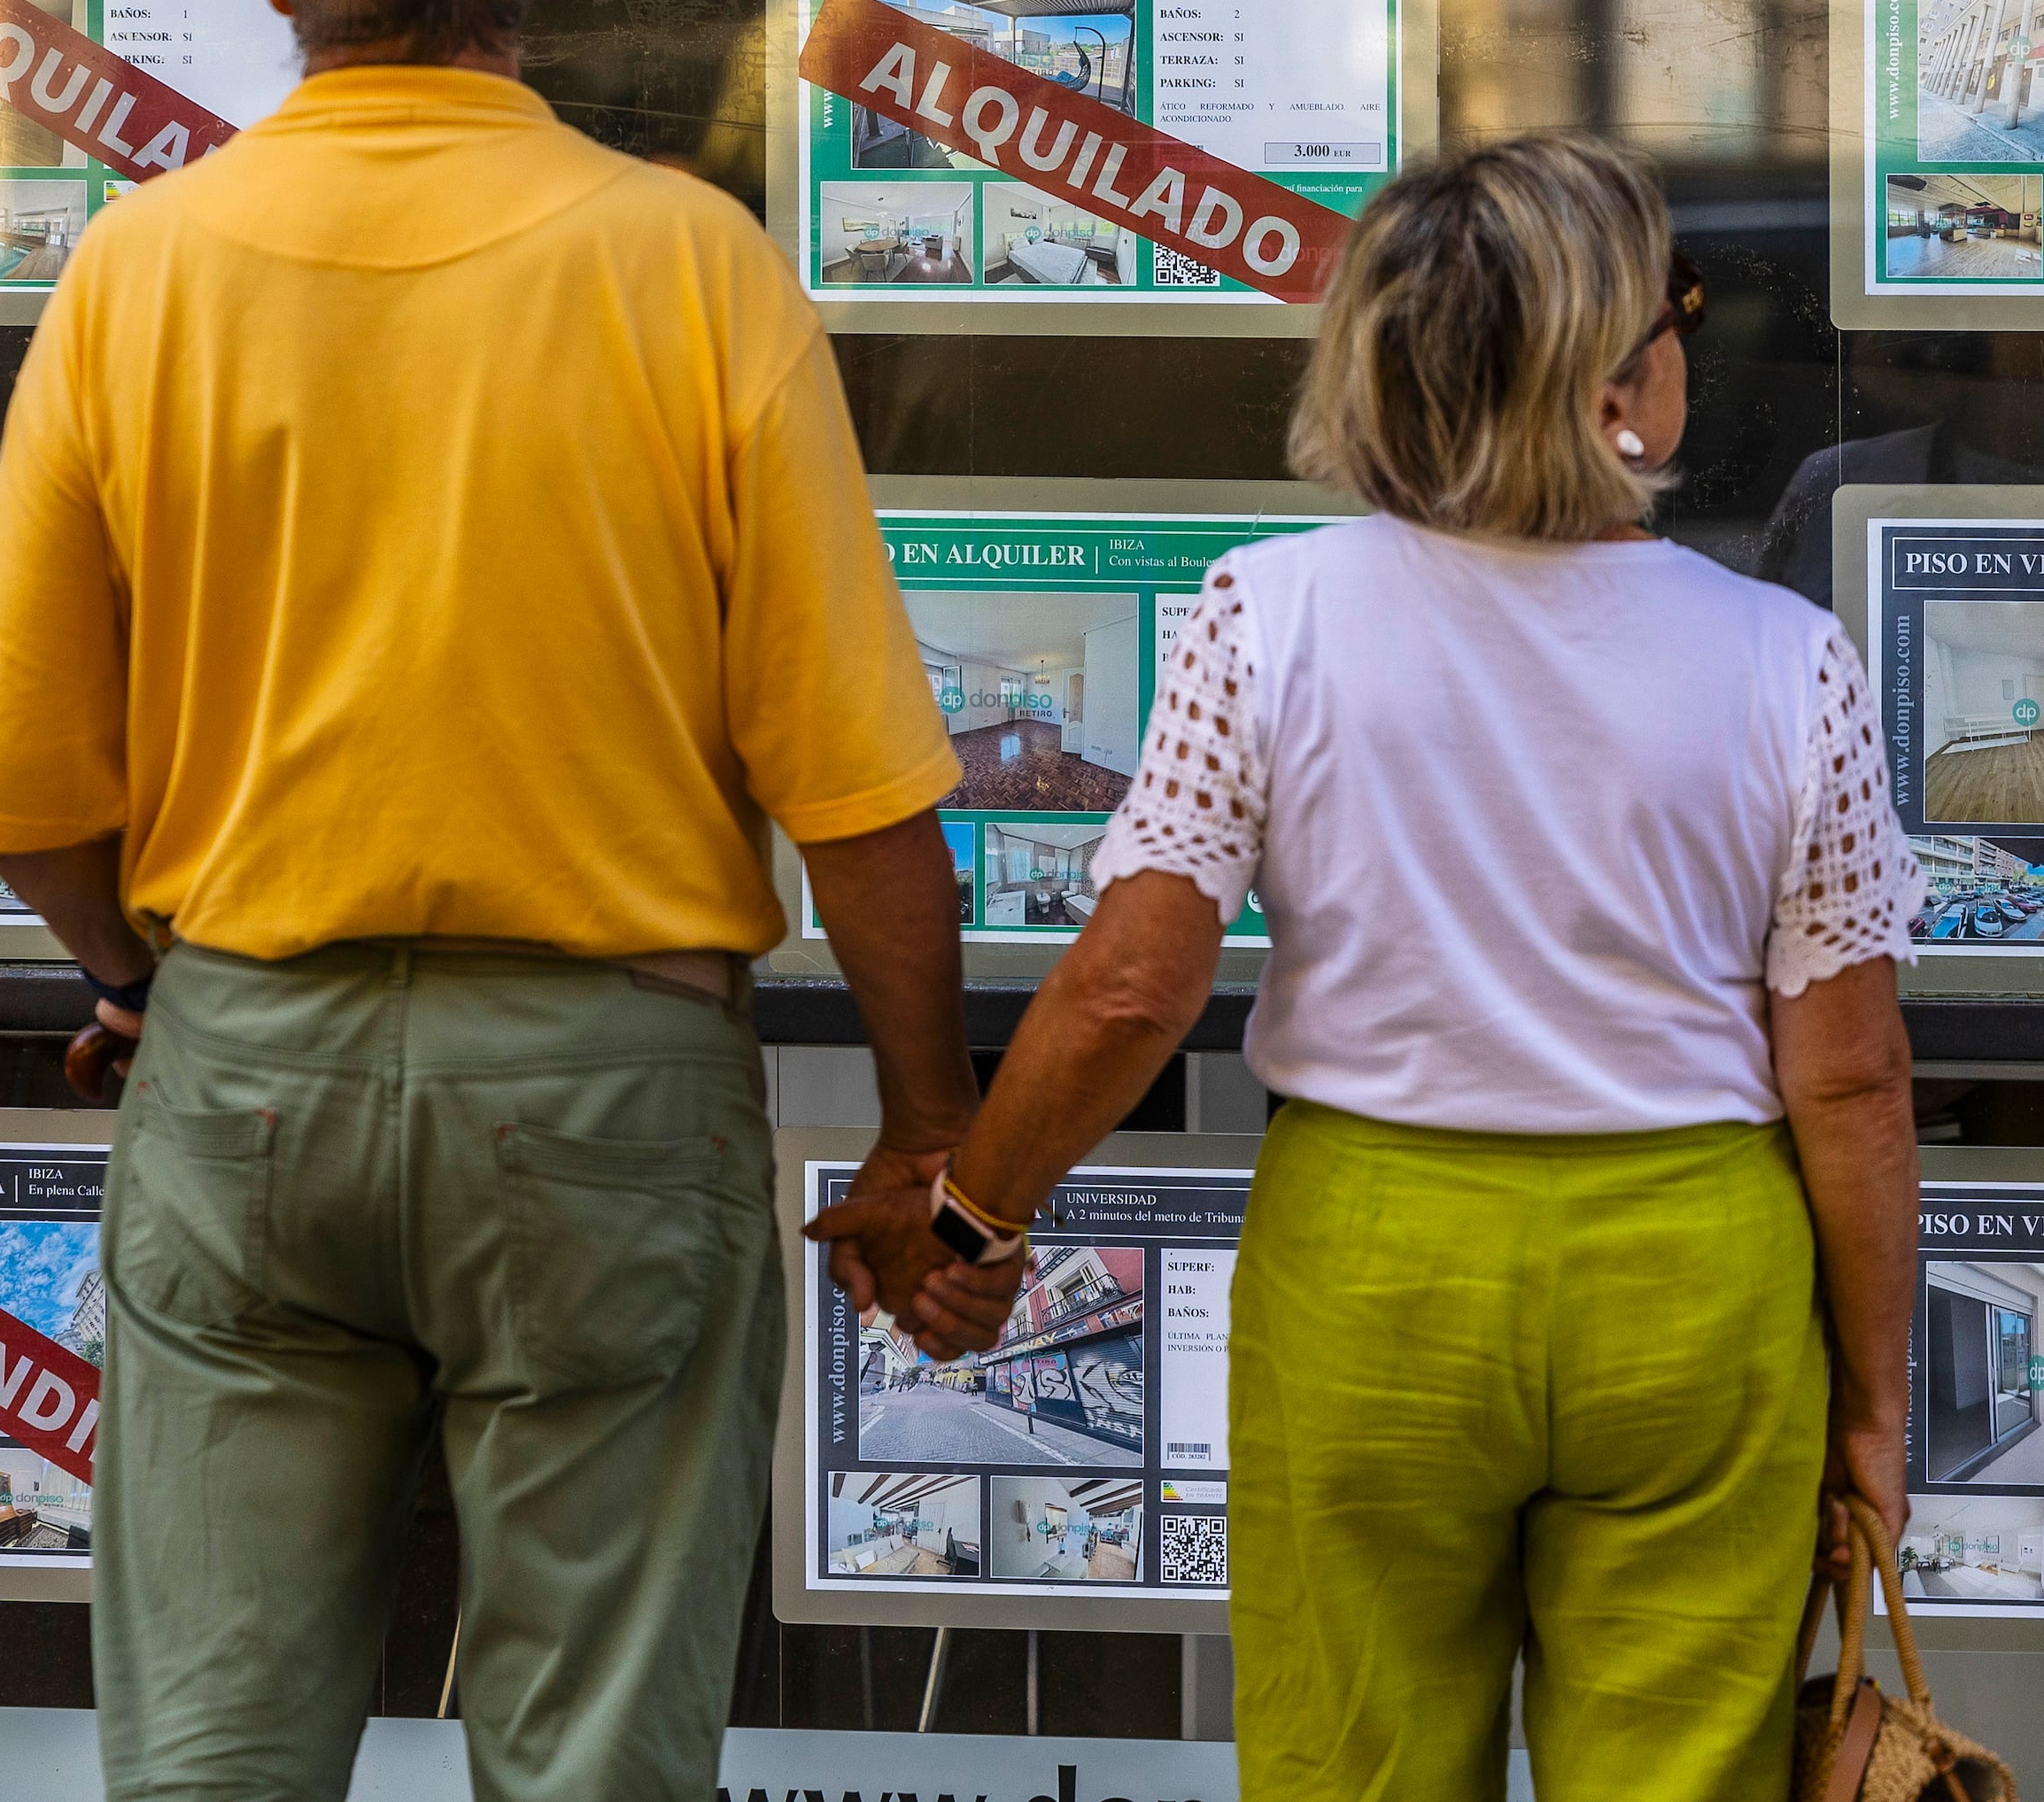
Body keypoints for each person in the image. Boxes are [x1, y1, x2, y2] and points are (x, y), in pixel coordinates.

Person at [0, 0, 979, 1802]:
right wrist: (923, 1133)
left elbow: (23, 790)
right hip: (606, 1096)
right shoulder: (689, 264)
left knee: (214, 1752)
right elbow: (858, 794)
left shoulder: (137, 270)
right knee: (592, 1754)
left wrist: (138, 984)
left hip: (247, 1082)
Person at [821, 133, 1925, 1802]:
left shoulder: (1268, 617)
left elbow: (1131, 985)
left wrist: (970, 1218)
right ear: (1614, 382)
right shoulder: (1790, 660)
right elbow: (1848, 1072)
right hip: (1696, 1285)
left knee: (1358, 1764)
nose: (1686, 338)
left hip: (1373, 1275)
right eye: (1673, 307)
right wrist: (1874, 1400)